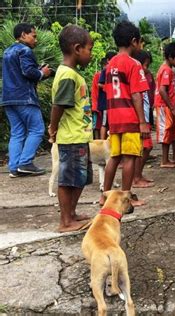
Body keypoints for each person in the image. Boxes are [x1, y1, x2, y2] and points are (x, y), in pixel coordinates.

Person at [48, 25, 94, 232]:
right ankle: (65, 221)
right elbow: (59, 104)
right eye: (89, 49)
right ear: (77, 49)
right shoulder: (67, 75)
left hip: (79, 135)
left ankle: (72, 213)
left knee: (80, 178)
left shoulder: (72, 74)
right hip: (71, 137)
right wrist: (53, 127)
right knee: (68, 180)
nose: (91, 55)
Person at [102, 21, 150, 206]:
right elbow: (136, 95)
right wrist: (142, 121)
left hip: (114, 117)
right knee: (129, 157)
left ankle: (104, 196)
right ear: (133, 41)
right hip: (129, 117)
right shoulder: (134, 64)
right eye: (139, 42)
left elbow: (108, 91)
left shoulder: (110, 64)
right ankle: (126, 197)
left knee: (114, 158)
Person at [1, 23, 53, 177]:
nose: (35, 40)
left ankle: (14, 167)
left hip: (8, 98)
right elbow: (28, 72)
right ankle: (25, 163)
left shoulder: (7, 51)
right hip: (25, 97)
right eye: (34, 36)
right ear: (23, 35)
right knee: (37, 129)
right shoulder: (25, 50)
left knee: (17, 133)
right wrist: (43, 73)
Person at [155, 42, 175, 168]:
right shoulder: (166, 70)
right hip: (164, 106)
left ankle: (173, 156)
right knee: (166, 130)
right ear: (170, 57)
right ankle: (164, 160)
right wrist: (172, 107)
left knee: (172, 129)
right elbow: (162, 90)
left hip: (168, 105)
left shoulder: (168, 70)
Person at [132, 50, 155, 188]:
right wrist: (142, 121)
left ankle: (138, 175)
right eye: (144, 65)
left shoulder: (144, 78)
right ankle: (136, 178)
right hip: (140, 120)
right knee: (144, 148)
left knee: (145, 147)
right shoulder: (136, 79)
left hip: (145, 118)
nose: (146, 68)